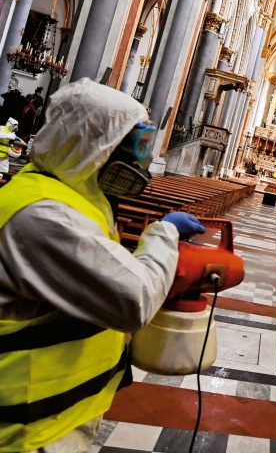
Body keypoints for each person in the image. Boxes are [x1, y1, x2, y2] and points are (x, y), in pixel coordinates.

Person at [0, 78, 206, 451]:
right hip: (24, 430)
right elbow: (135, 298)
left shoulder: (78, 196)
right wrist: (164, 234)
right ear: (93, 144)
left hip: (56, 414)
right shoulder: (41, 214)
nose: (137, 165)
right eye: (131, 149)